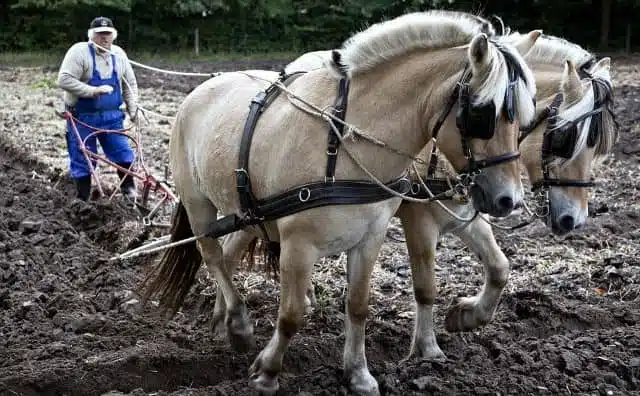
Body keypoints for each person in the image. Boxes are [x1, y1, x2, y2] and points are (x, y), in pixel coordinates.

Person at [57, 16, 139, 201]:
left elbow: (130, 84)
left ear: (114, 35)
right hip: (82, 117)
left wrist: (133, 109)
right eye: (100, 34)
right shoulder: (79, 52)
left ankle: (129, 192)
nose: (104, 38)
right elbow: (64, 79)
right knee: (83, 159)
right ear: (91, 36)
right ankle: (82, 199)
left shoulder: (119, 55)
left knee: (123, 152)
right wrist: (92, 91)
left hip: (112, 117)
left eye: (108, 34)